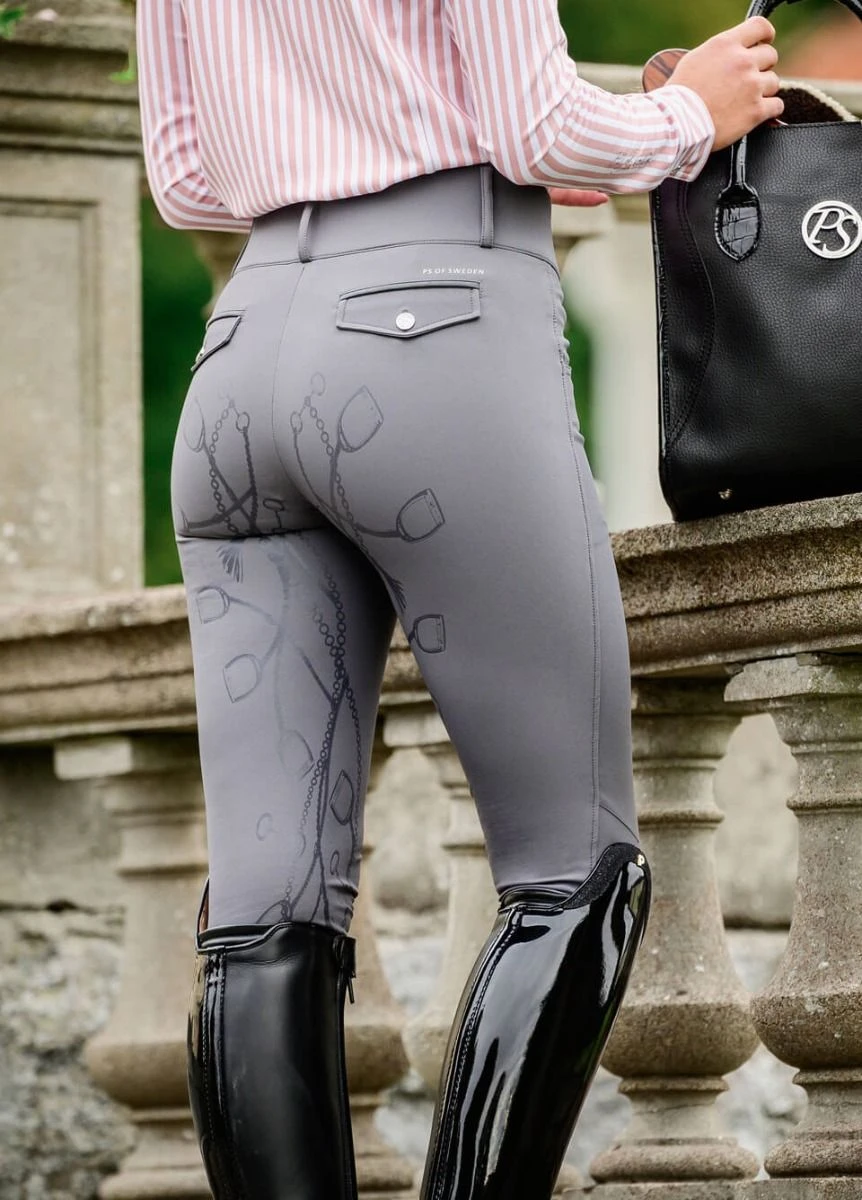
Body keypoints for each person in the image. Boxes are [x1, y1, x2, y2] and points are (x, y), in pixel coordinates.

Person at [136, 4, 782, 1197]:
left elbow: (184, 178)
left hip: (241, 364)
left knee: (265, 914)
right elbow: (537, 128)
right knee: (574, 872)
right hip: (434, 336)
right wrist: (690, 113)